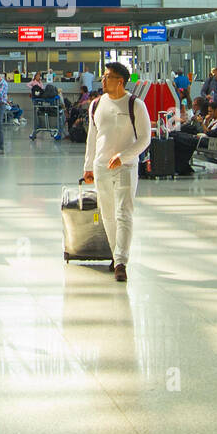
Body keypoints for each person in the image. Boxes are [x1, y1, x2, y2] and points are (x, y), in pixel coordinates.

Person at [83, 62, 151, 283]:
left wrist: (124, 156)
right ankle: (115, 254)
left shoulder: (135, 105)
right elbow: (92, 138)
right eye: (103, 76)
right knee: (108, 213)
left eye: (108, 77)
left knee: (124, 212)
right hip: (102, 166)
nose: (103, 80)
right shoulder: (96, 104)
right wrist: (88, 167)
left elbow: (144, 139)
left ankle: (121, 261)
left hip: (126, 166)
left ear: (120, 81)